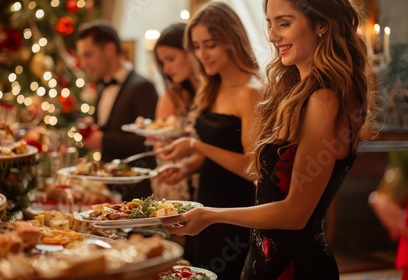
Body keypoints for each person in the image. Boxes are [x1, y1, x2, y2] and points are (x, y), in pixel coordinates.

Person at [162, 0, 379, 278]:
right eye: (269, 23)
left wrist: (210, 216)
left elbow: (295, 214)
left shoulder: (323, 100)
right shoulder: (297, 93)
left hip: (294, 267)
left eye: (284, 23)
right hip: (266, 261)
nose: (273, 35)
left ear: (322, 25)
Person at [155, 2, 261, 278]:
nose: (202, 54)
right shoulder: (212, 86)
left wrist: (196, 146)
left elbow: (252, 168)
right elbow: (217, 151)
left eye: (210, 45)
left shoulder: (250, 92)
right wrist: (187, 167)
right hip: (205, 204)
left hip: (235, 210)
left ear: (232, 40)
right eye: (197, 46)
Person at [75, 20, 159, 202]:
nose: (83, 63)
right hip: (109, 194)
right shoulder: (102, 86)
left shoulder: (142, 87)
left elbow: (149, 142)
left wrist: (103, 140)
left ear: (110, 49)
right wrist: (92, 125)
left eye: (88, 55)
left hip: (137, 195)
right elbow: (109, 125)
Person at [151, 22, 199, 201]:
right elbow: (158, 146)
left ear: (190, 52)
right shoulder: (172, 96)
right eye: (162, 62)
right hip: (176, 184)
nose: (166, 69)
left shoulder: (217, 93)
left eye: (171, 59)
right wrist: (165, 147)